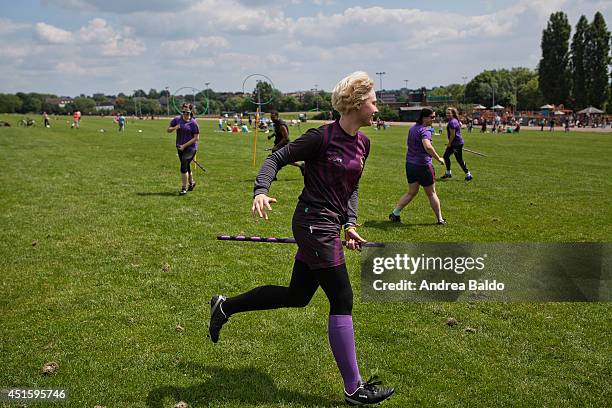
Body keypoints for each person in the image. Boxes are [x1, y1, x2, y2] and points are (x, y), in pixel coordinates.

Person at [208, 71, 395, 406]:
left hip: (329, 227)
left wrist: (350, 224)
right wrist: (261, 190)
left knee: (298, 295)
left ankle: (225, 307)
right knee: (342, 298)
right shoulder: (320, 137)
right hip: (312, 225)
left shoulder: (364, 143)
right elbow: (276, 157)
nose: (376, 108)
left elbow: (350, 189)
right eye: (373, 102)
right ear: (356, 103)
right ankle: (354, 389)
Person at [389, 107, 446, 225]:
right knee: (431, 193)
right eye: (432, 117)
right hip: (423, 166)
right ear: (424, 118)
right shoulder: (425, 130)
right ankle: (440, 219)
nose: (434, 119)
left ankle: (395, 213)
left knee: (412, 192)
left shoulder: (412, 128)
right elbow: (428, 146)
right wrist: (439, 158)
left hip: (410, 165)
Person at [167, 103, 199, 195]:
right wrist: (175, 127)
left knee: (184, 164)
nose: (185, 113)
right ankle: (192, 183)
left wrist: (184, 146)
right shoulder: (177, 119)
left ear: (191, 111)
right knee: (187, 166)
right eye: (183, 111)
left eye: (187, 111)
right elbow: (168, 130)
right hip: (180, 147)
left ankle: (184, 188)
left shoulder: (193, 123)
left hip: (191, 148)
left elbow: (196, 138)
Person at [268, 111, 305, 177]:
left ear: (277, 116)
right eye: (271, 117)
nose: (271, 119)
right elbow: (277, 132)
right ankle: (301, 166)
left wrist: (276, 146)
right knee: (280, 160)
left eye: (273, 117)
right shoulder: (276, 123)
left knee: (278, 159)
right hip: (279, 144)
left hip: (284, 145)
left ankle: (301, 166)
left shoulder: (282, 125)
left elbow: (286, 138)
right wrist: (271, 136)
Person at [440, 107, 472, 181]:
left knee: (459, 160)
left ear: (453, 114)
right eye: (446, 113)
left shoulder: (452, 122)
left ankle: (468, 174)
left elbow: (453, 135)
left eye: (449, 113)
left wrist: (449, 144)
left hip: (456, 143)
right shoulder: (454, 120)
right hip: (454, 143)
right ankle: (448, 173)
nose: (447, 114)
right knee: (446, 156)